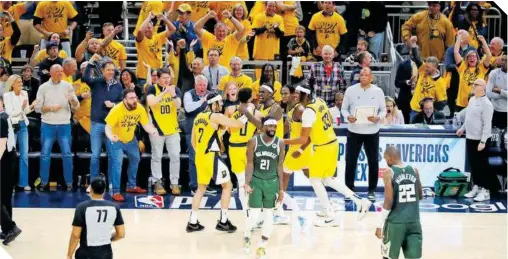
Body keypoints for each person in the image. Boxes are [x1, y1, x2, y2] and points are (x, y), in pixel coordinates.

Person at [284, 84, 371, 226]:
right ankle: (360, 201)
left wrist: (282, 141)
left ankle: (330, 215)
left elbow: (303, 139)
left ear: (305, 95)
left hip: (323, 147)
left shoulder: (308, 112)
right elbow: (330, 120)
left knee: (315, 179)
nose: (295, 95)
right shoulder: (320, 101)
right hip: (332, 143)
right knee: (328, 180)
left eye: (298, 93)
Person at [186, 92, 244, 233]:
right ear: (214, 104)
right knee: (228, 186)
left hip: (199, 156)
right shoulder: (215, 116)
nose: (222, 105)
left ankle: (192, 222)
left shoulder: (199, 117)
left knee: (201, 189)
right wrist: (245, 113)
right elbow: (238, 124)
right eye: (220, 103)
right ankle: (223, 221)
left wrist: (203, 151)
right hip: (211, 156)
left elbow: (193, 141)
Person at [105, 88, 158, 202]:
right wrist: (110, 136)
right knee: (117, 164)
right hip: (116, 139)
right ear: (124, 100)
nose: (134, 100)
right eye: (131, 98)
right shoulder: (117, 109)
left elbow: (145, 124)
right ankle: (116, 191)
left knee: (136, 159)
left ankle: (131, 186)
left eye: (135, 97)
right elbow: (107, 127)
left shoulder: (139, 108)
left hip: (130, 139)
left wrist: (152, 130)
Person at [342, 68, 386, 200]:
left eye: (366, 75)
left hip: (372, 131)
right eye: (361, 75)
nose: (363, 77)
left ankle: (371, 190)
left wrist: (378, 117)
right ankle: (349, 190)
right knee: (350, 161)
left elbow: (383, 110)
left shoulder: (378, 92)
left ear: (371, 77)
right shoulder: (350, 90)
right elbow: (344, 108)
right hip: (354, 130)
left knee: (373, 161)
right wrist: (348, 116)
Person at [243, 117, 285, 257]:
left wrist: (281, 189)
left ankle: (263, 244)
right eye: (270, 126)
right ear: (263, 127)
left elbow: (280, 166)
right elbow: (249, 163)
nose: (273, 128)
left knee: (269, 214)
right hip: (256, 180)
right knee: (254, 215)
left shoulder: (280, 143)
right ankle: (247, 233)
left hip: (272, 183)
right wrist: (247, 182)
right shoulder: (253, 141)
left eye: (275, 126)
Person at [35, 64, 79, 191]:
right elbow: (38, 108)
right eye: (58, 71)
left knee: (67, 154)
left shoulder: (68, 86)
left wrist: (73, 101)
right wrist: (50, 108)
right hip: (47, 125)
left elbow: (76, 107)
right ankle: (44, 182)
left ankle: (69, 182)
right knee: (45, 154)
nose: (61, 73)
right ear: (51, 73)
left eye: (61, 71)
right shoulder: (43, 88)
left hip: (64, 125)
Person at [83, 56, 124, 193]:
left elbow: (123, 104)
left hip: (111, 126)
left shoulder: (118, 85)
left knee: (112, 155)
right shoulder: (97, 82)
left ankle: (112, 183)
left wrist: (113, 105)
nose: (111, 72)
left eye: (113, 70)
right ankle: (93, 184)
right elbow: (85, 79)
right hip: (96, 124)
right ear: (102, 70)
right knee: (95, 155)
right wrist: (90, 63)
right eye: (108, 70)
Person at [375, 146, 423, 259]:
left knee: (389, 257)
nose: (386, 162)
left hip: (395, 224)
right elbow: (420, 195)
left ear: (390, 158)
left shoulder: (389, 172)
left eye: (386, 158)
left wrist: (379, 225)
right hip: (414, 222)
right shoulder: (414, 170)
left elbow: (389, 201)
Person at [224, 87, 262, 222]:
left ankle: (246, 212)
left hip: (234, 148)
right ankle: (256, 214)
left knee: (241, 183)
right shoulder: (256, 113)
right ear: (251, 97)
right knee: (253, 182)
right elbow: (263, 127)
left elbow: (226, 129)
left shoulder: (230, 110)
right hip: (248, 148)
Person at [67, 177, 125, 259]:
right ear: (104, 191)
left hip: (86, 254)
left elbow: (75, 235)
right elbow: (121, 234)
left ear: (91, 190)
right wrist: (110, 238)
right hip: (106, 254)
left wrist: (69, 255)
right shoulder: (114, 207)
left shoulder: (82, 207)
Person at [457, 79, 495, 202]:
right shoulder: (472, 99)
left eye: (476, 85)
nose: (473, 86)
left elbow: (487, 125)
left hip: (481, 140)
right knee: (474, 164)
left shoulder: (487, 104)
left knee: (482, 165)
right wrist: (462, 129)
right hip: (470, 137)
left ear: (482, 88)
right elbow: (468, 116)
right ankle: (477, 187)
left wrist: (483, 141)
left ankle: (486, 190)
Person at [146, 68, 182, 196]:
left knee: (175, 156)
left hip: (172, 129)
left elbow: (178, 106)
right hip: (156, 129)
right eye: (164, 78)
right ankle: (157, 181)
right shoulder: (152, 89)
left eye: (168, 77)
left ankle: (174, 183)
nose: (167, 80)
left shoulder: (175, 89)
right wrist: (163, 93)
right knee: (156, 156)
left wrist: (172, 94)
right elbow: (151, 102)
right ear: (158, 78)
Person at [275, 84, 307, 224]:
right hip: (296, 147)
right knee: (316, 179)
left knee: (282, 179)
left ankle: (279, 211)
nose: (282, 96)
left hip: (301, 148)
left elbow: (310, 133)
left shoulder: (300, 110)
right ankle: (279, 210)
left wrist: (300, 149)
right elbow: (288, 125)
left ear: (294, 94)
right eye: (282, 93)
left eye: (285, 93)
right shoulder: (290, 107)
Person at [2, 75, 37, 191]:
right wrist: (22, 108)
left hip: (22, 125)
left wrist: (31, 106)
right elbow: (10, 114)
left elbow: (25, 112)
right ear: (12, 84)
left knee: (24, 155)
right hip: (12, 126)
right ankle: (9, 184)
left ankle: (23, 183)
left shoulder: (24, 94)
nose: (21, 84)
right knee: (10, 155)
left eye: (21, 82)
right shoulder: (7, 96)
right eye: (18, 83)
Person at [183, 75, 213, 195]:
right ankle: (194, 186)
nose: (202, 87)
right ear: (195, 85)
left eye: (204, 85)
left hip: (209, 132)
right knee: (194, 159)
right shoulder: (188, 94)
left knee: (208, 159)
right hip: (192, 131)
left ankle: (205, 184)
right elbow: (189, 108)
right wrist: (202, 100)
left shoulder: (211, 94)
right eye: (200, 85)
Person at [0, 96, 22, 245]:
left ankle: (10, 227)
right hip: (9, 160)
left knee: (4, 196)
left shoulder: (1, 119)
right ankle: (7, 228)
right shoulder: (4, 116)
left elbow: (2, 143)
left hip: (5, 161)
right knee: (4, 196)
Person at [135, 11, 176, 85]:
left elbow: (173, 29)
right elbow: (140, 30)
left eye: (149, 27)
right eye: (146, 28)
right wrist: (149, 17)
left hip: (158, 76)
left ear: (153, 28)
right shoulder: (141, 39)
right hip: (144, 76)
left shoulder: (158, 37)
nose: (147, 29)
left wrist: (164, 19)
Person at [454, 33, 491, 111]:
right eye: (469, 57)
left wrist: (483, 41)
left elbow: (489, 55)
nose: (472, 58)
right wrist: (459, 38)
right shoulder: (462, 66)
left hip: (478, 102)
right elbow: (456, 52)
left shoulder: (481, 67)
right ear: (466, 59)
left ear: (477, 59)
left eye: (474, 56)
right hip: (462, 103)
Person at [409, 54, 447, 122]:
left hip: (427, 113)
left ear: (435, 67)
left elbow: (442, 102)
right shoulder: (423, 72)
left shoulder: (440, 82)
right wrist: (414, 46)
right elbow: (417, 58)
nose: (425, 68)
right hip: (414, 110)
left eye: (428, 67)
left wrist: (429, 109)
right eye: (425, 66)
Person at [486, 55, 507, 130]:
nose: (503, 62)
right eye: (502, 60)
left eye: (506, 60)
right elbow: (488, 93)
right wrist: (505, 95)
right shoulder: (494, 73)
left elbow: (494, 92)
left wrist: (499, 91)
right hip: (495, 110)